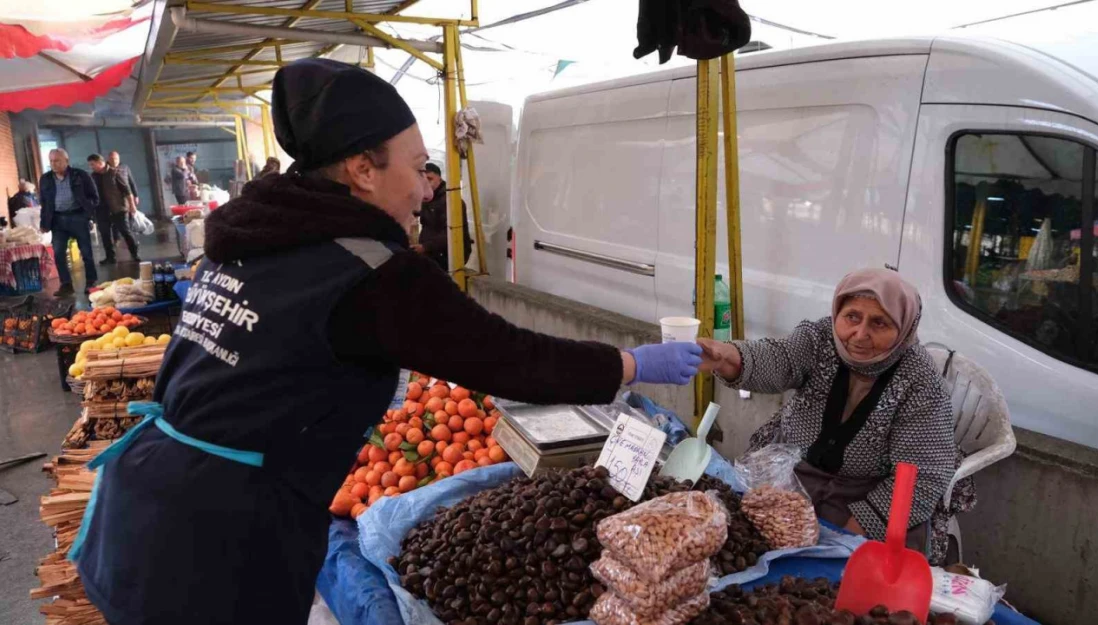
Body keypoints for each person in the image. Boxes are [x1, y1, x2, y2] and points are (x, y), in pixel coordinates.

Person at [70, 58, 705, 625]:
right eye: (417, 166)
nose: (429, 187)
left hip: (146, 508)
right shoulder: (368, 270)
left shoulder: (250, 240)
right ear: (362, 169)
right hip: (220, 549)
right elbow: (512, 358)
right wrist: (629, 362)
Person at [699, 268, 959, 559]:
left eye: (879, 323)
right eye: (852, 317)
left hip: (868, 497)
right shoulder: (821, 338)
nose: (860, 335)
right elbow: (780, 359)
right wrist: (725, 356)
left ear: (904, 328)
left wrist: (848, 538)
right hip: (794, 479)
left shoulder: (921, 382)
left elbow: (923, 476)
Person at [39, 148, 99, 297]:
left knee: (86, 252)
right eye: (51, 161)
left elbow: (94, 197)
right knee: (58, 253)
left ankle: (91, 282)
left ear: (66, 161)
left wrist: (87, 214)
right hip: (57, 220)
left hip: (78, 217)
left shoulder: (80, 175)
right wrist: (44, 223)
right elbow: (44, 202)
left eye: (57, 160)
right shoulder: (45, 179)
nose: (54, 164)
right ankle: (66, 284)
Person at [416, 162, 471, 272]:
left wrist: (425, 247)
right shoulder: (428, 198)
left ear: (439, 179)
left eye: (430, 179)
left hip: (447, 255)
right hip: (432, 252)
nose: (426, 183)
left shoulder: (451, 201)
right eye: (423, 180)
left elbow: (450, 234)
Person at [87, 154, 141, 263]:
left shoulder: (114, 173)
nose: (91, 167)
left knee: (126, 232)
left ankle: (135, 254)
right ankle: (110, 257)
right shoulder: (93, 176)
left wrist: (132, 206)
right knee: (105, 234)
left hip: (118, 208)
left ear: (99, 162)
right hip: (101, 210)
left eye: (92, 164)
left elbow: (127, 190)